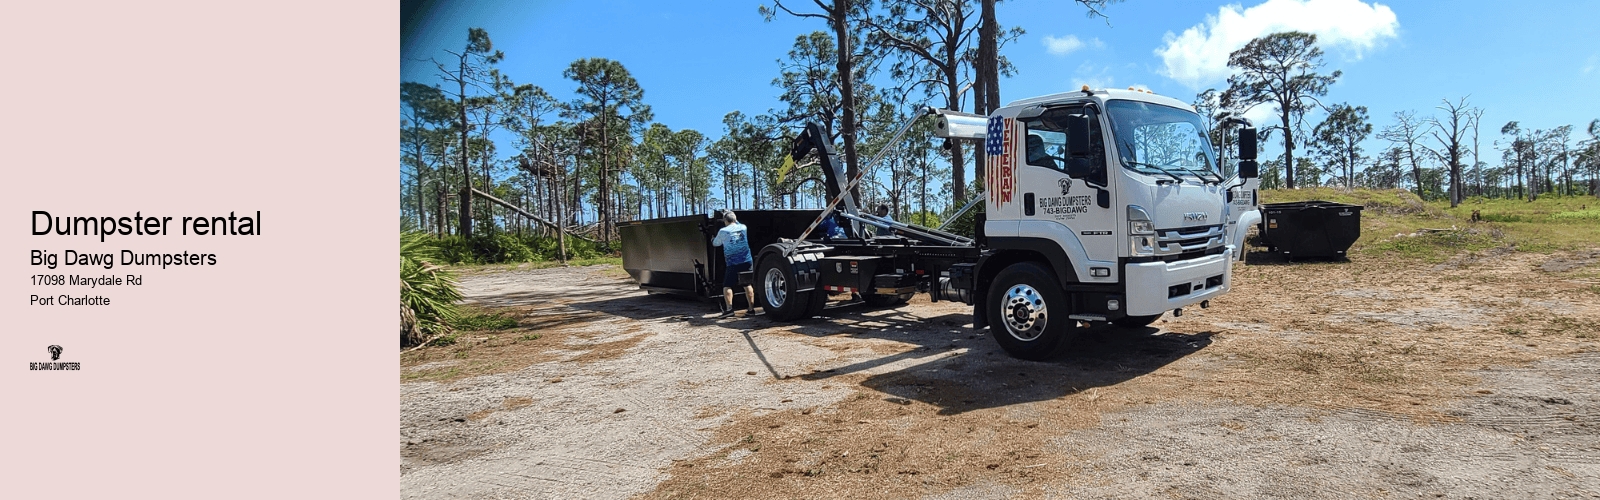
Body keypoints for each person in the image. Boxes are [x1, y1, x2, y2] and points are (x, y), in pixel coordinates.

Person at [711, 210, 757, 317]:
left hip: (732, 262)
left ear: (725, 220)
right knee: (747, 284)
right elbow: (738, 223)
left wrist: (712, 239)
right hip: (746, 260)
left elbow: (716, 244)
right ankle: (751, 309)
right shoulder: (743, 227)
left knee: (727, 285)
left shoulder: (723, 231)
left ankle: (729, 309)